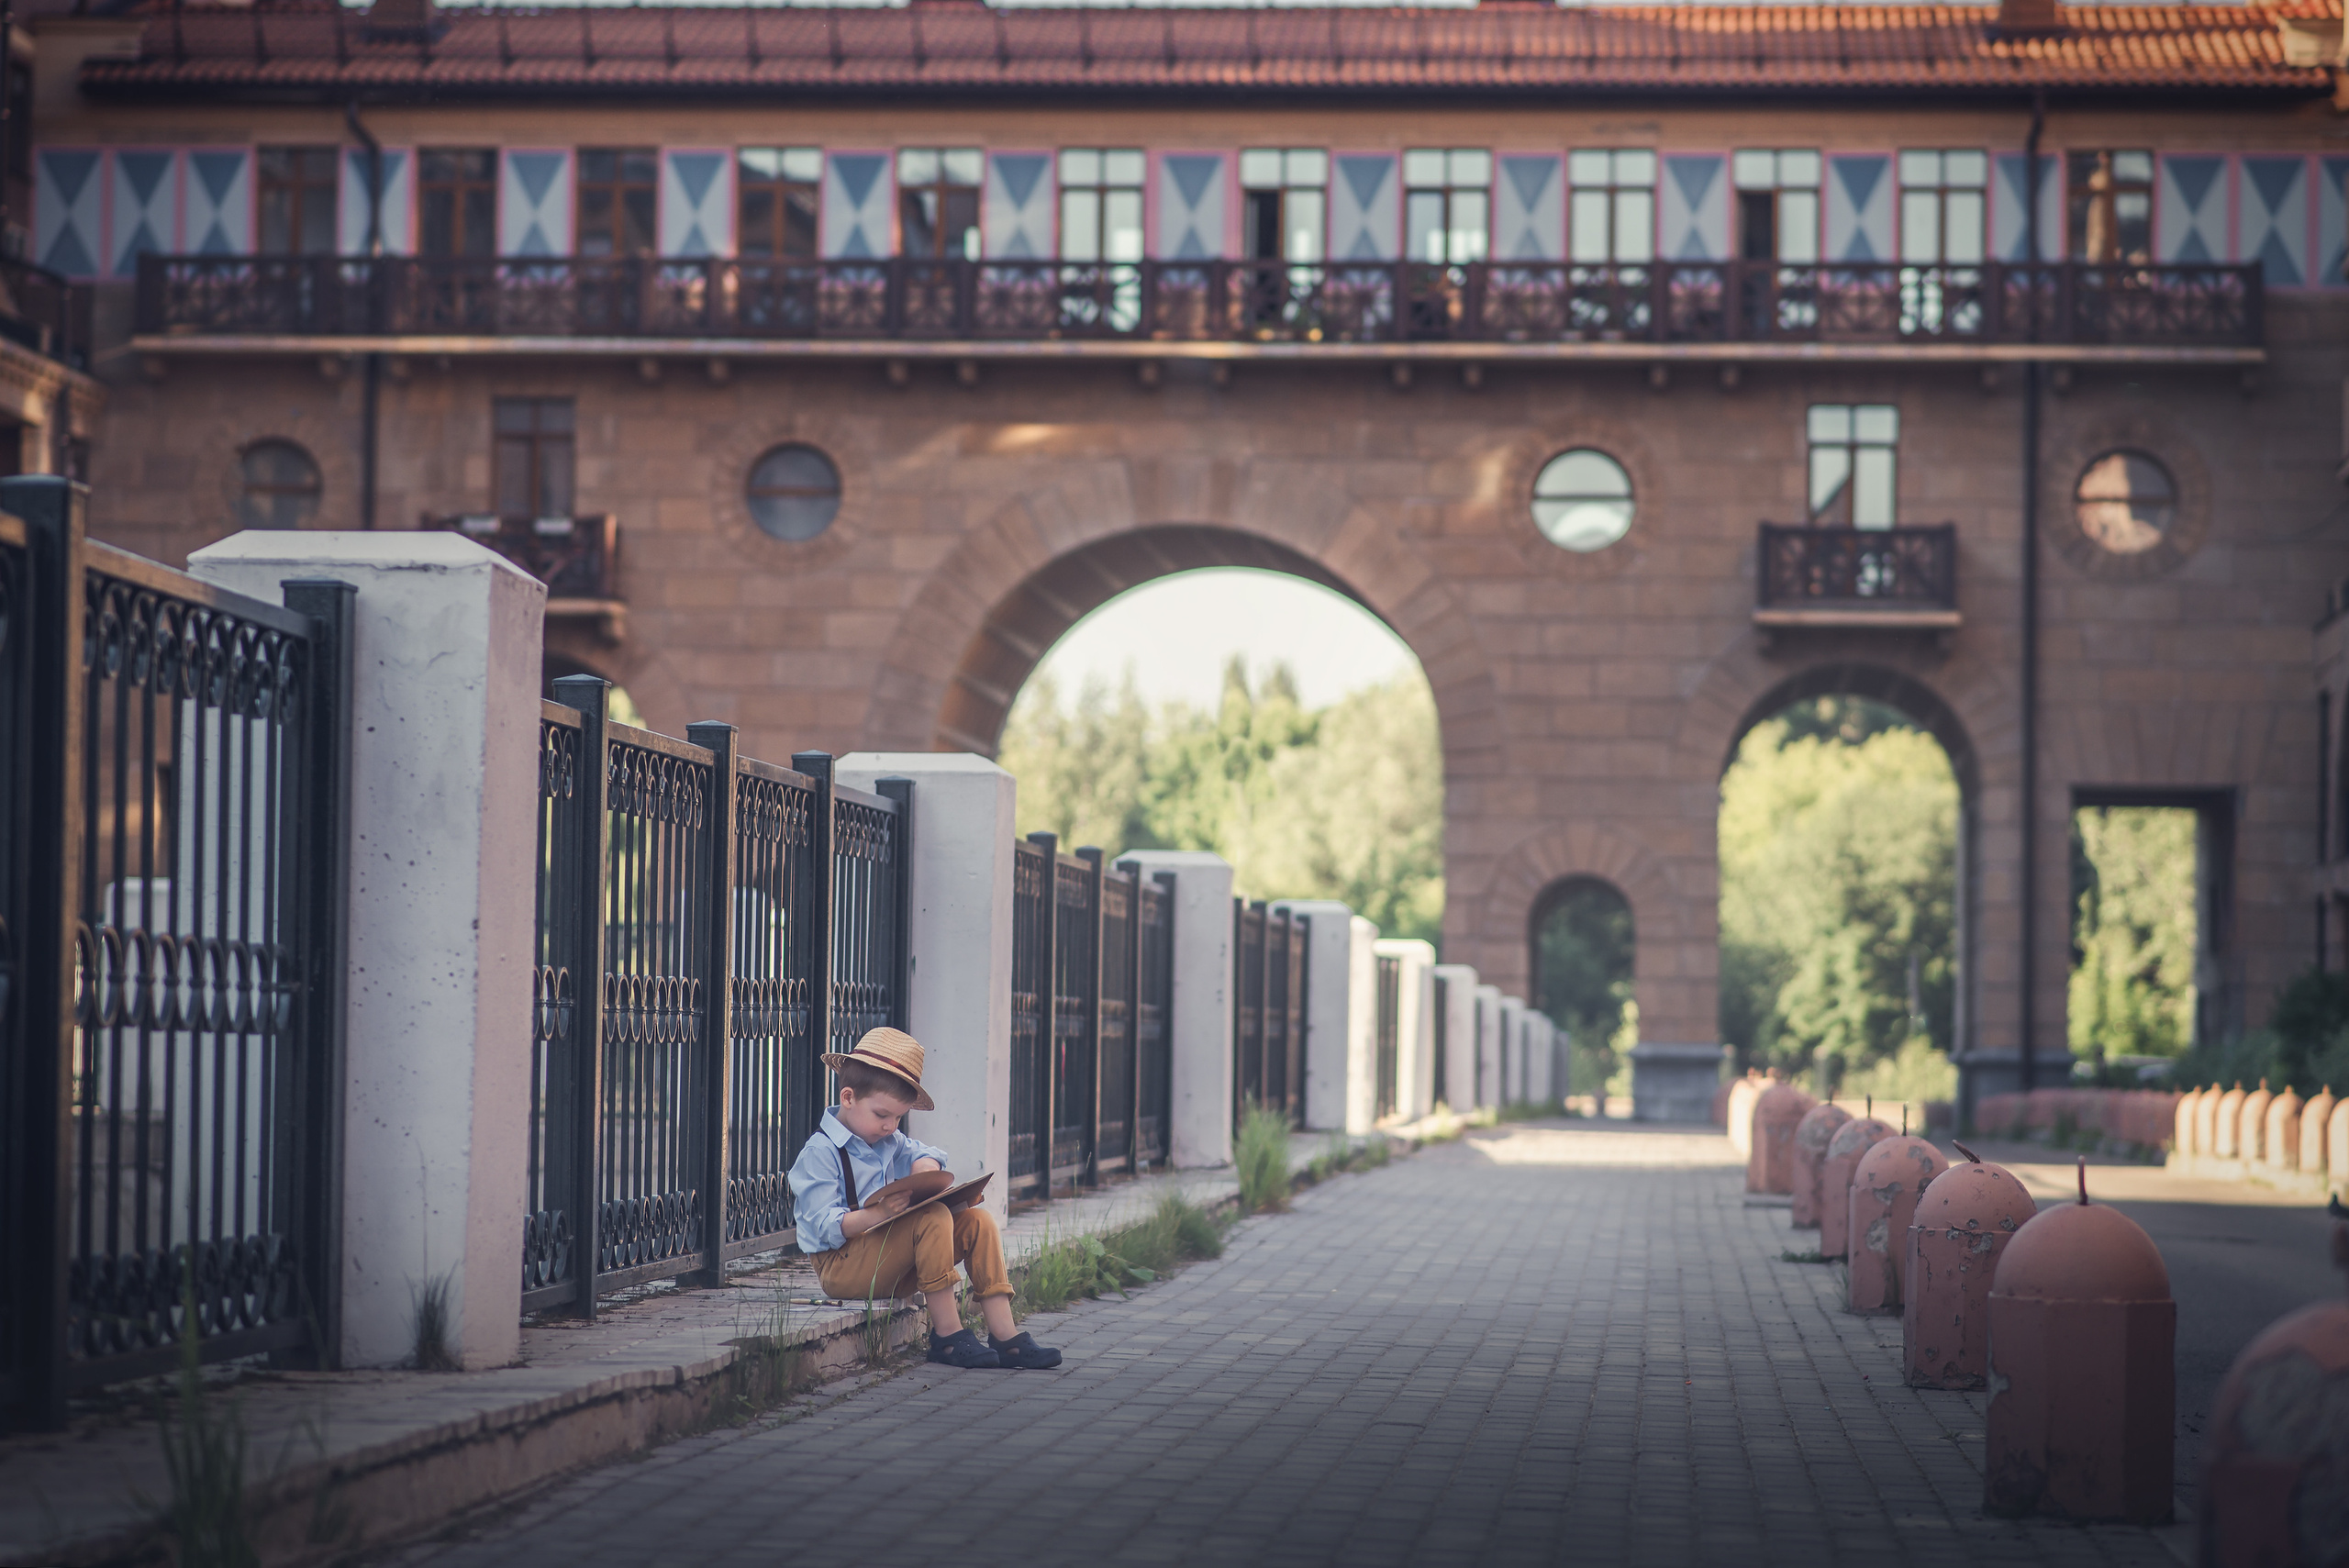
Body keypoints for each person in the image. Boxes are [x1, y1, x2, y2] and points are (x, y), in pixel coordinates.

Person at [786, 1027, 1061, 1370]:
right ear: (848, 1098)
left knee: (979, 1221)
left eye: (899, 1117)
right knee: (931, 1219)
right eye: (882, 1115)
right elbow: (825, 1226)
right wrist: (879, 1213)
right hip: (842, 1268)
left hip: (889, 1265)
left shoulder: (888, 1140)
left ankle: (1006, 1337)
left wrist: (925, 1170)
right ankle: (947, 1336)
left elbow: (927, 1154)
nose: (890, 1126)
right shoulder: (821, 1153)